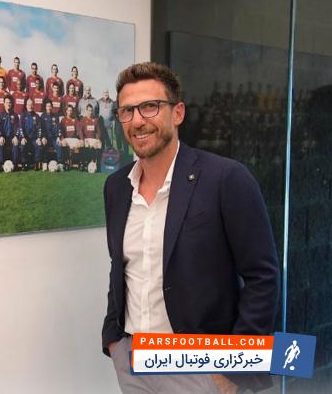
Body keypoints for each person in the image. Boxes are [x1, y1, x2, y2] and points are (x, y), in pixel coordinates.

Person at [102, 62, 279, 394]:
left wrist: (233, 371)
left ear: (178, 113)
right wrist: (114, 339)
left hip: (199, 365)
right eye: (127, 110)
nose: (137, 120)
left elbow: (262, 277)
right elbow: (121, 267)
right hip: (132, 360)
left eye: (150, 106)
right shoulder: (116, 187)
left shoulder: (226, 179)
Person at [19, 98, 46, 170]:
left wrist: (39, 138)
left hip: (34, 139)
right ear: (26, 106)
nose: (30, 106)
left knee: (39, 145)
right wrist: (22, 137)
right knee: (22, 146)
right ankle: (24, 163)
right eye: (28, 105)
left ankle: (36, 163)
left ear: (33, 105)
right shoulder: (23, 116)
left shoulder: (36, 116)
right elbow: (20, 128)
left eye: (31, 105)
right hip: (25, 138)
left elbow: (39, 129)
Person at [0, 96, 19, 169]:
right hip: (4, 138)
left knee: (16, 145)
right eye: (7, 102)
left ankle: (14, 165)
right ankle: (0, 165)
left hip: (12, 138)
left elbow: (17, 128)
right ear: (4, 104)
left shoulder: (15, 115)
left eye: (10, 103)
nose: (8, 104)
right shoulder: (0, 115)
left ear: (12, 104)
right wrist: (0, 136)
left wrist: (16, 136)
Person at [40, 100, 64, 167]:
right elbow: (41, 128)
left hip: (54, 138)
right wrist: (43, 137)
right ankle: (45, 163)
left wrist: (58, 137)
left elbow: (59, 128)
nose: (49, 108)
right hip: (46, 138)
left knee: (59, 145)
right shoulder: (42, 116)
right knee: (43, 144)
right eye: (47, 106)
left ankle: (60, 164)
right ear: (45, 107)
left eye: (50, 106)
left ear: (52, 107)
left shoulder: (55, 116)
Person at [78, 103, 101, 169]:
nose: (90, 112)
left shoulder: (95, 120)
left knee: (99, 144)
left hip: (93, 139)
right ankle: (84, 162)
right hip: (86, 139)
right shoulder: (83, 119)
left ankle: (96, 163)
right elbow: (80, 131)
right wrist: (82, 139)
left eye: (91, 110)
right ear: (86, 111)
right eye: (89, 110)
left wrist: (98, 139)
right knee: (84, 145)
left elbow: (98, 131)